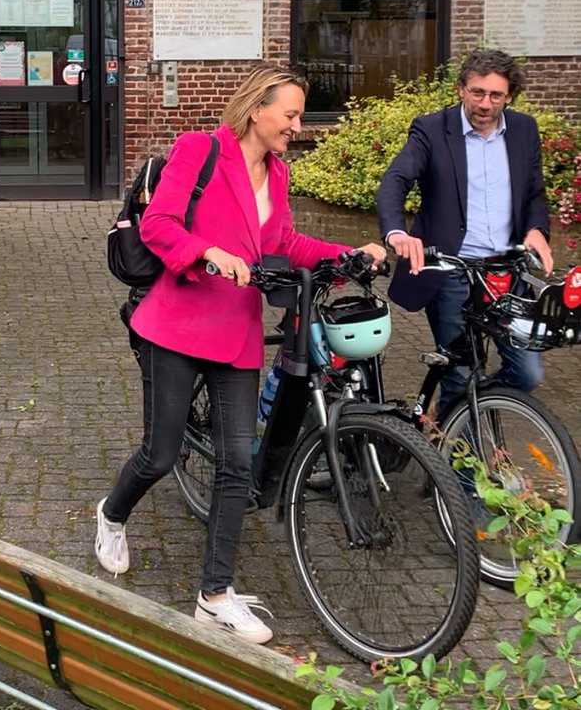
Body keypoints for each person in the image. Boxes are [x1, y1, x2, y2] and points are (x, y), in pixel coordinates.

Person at [93, 64, 386, 644]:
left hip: (237, 334)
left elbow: (284, 244)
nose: (298, 126)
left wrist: (348, 253)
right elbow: (159, 226)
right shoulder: (199, 150)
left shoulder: (277, 173)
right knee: (160, 453)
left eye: (300, 116)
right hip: (176, 327)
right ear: (257, 110)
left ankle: (215, 595)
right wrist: (208, 252)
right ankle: (112, 514)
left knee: (236, 464)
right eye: (291, 115)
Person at [377, 48, 554, 418]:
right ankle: (460, 452)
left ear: (509, 96)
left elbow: (534, 193)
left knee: (528, 372)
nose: (485, 104)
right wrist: (396, 233)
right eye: (477, 92)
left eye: (496, 95)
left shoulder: (524, 130)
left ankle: (452, 417)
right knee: (460, 375)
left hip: (506, 272)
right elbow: (396, 179)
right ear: (461, 89)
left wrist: (537, 229)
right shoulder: (431, 129)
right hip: (452, 272)